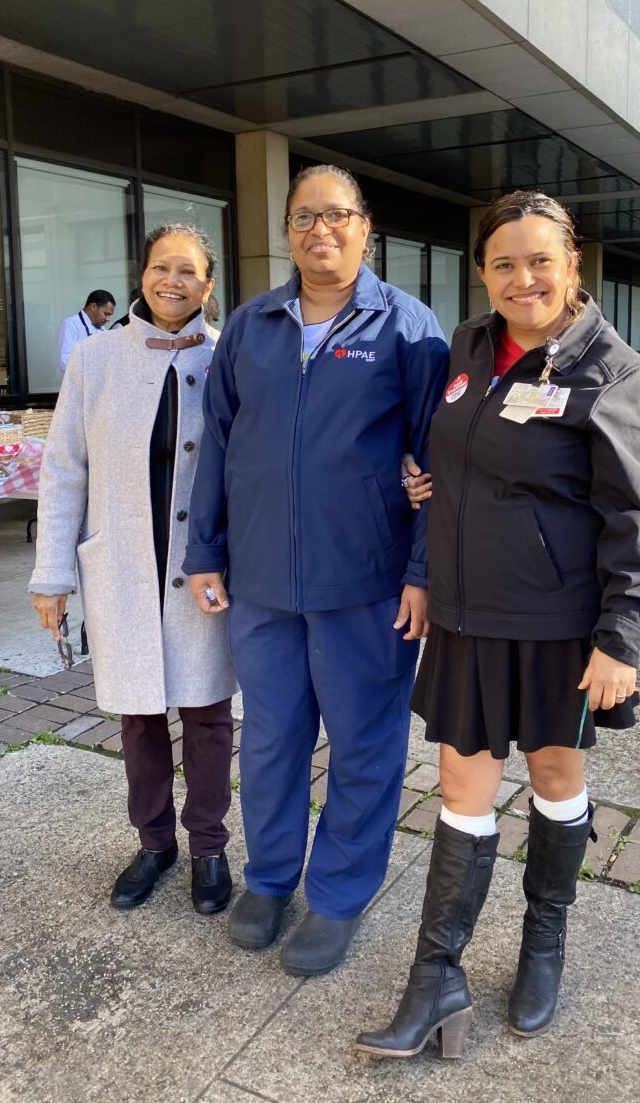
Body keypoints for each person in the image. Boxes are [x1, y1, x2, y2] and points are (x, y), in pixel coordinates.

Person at [355, 189, 640, 1059]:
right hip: (465, 617)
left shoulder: (615, 372)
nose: (523, 279)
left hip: (557, 623)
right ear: (483, 273)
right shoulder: (467, 347)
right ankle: (436, 978)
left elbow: (636, 518)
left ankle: (543, 946)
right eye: (503, 264)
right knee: (462, 796)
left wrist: (621, 636)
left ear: (572, 265)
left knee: (556, 779)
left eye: (539, 261)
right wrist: (424, 499)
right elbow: (444, 452)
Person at [184, 163, 449, 976]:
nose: (319, 230)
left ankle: (337, 895)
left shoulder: (408, 327)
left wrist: (422, 570)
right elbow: (218, 444)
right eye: (303, 217)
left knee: (365, 745)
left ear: (366, 228)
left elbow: (437, 459)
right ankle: (269, 880)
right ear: (287, 232)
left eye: (336, 215)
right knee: (270, 740)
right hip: (261, 581)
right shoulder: (250, 326)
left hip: (366, 582)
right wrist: (205, 550)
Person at [30, 225, 237, 915]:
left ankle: (208, 845)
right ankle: (154, 842)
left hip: (202, 570)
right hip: (121, 564)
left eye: (188, 271)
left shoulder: (228, 356)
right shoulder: (95, 358)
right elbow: (64, 469)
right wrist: (52, 575)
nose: (173, 281)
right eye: (160, 267)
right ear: (141, 276)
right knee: (139, 716)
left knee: (208, 716)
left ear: (208, 285)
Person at [55, 289, 116, 372]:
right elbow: (64, 362)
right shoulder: (70, 325)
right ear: (93, 307)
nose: (108, 319)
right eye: (106, 314)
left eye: (110, 315)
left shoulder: (103, 329)